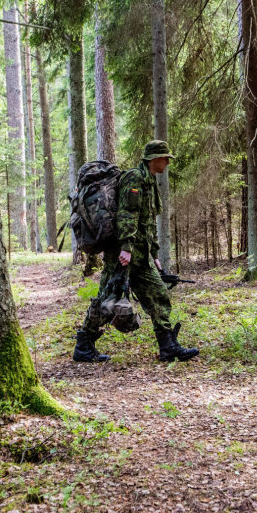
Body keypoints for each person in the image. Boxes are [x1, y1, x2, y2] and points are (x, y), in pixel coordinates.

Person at [72, 140, 199, 363]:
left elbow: (148, 223)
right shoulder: (134, 178)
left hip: (140, 255)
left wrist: (156, 257)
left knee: (159, 294)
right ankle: (84, 344)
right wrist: (126, 249)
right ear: (154, 159)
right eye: (165, 158)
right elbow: (127, 215)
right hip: (123, 255)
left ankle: (168, 347)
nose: (168, 162)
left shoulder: (150, 181)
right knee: (107, 300)